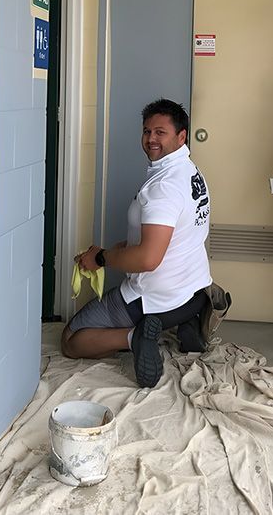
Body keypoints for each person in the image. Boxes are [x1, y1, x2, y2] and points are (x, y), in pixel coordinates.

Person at [61, 98, 212, 387]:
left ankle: (136, 337)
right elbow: (163, 237)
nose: (151, 139)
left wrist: (103, 258)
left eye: (160, 132)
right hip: (192, 289)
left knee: (70, 340)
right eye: (147, 131)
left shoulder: (163, 188)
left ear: (181, 137)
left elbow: (147, 259)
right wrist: (109, 251)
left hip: (156, 296)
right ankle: (187, 321)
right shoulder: (190, 171)